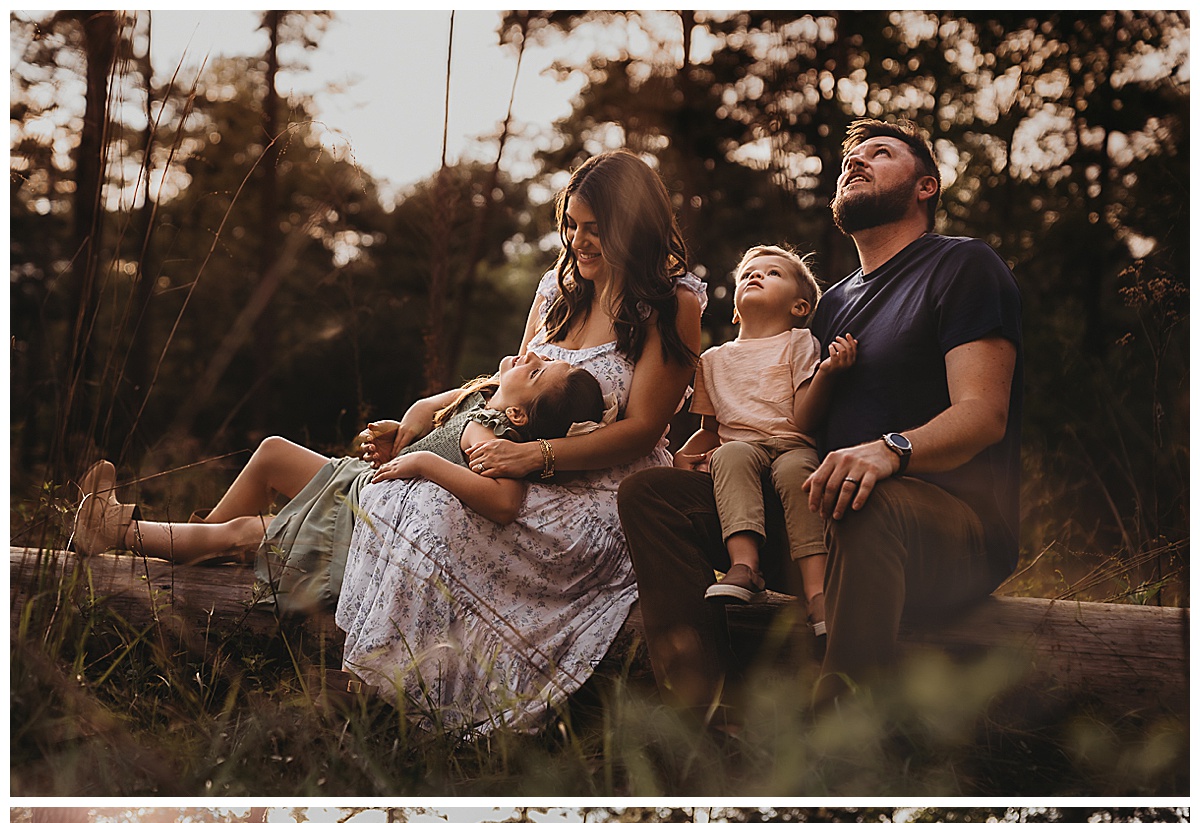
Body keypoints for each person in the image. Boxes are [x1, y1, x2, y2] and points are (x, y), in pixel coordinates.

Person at [618, 116, 1023, 716]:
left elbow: (983, 414)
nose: (855, 162)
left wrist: (890, 451)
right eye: (848, 160)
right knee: (654, 494)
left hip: (946, 530)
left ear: (926, 186)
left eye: (879, 153)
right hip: (819, 519)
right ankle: (701, 708)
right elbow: (790, 414)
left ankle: (845, 730)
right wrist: (725, 457)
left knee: (865, 496)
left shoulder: (962, 266)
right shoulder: (831, 305)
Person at [334, 148, 705, 731]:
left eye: (596, 230)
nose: (580, 242)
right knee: (403, 491)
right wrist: (432, 413)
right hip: (517, 464)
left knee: (440, 506)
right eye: (573, 226)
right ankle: (391, 685)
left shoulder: (671, 303)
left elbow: (642, 431)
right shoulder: (558, 291)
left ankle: (438, 700)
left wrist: (534, 454)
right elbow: (510, 387)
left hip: (600, 494)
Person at [68, 353, 604, 619]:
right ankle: (199, 545)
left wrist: (424, 466)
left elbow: (506, 503)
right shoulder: (479, 402)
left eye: (538, 371)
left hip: (356, 526)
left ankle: (117, 530)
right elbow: (421, 416)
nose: (531, 356)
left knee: (241, 531)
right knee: (274, 451)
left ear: (517, 412)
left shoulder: (495, 434)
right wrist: (404, 436)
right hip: (357, 487)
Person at [674, 244, 856, 642]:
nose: (757, 275)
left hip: (791, 444)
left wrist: (827, 374)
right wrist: (683, 455)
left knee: (796, 471)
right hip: (741, 448)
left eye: (773, 273)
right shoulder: (713, 360)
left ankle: (818, 591)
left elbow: (805, 417)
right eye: (749, 274)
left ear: (800, 307)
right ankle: (745, 566)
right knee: (731, 452)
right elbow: (711, 427)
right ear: (737, 308)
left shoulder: (800, 343)